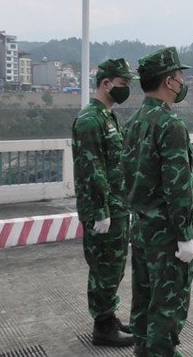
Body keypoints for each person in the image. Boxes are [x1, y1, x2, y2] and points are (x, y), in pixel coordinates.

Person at [121, 47, 193, 356]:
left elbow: (127, 178)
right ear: (168, 82)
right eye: (180, 76)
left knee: (143, 300)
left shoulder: (135, 122)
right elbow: (177, 186)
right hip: (168, 235)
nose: (183, 82)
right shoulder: (170, 125)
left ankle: (143, 349)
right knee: (168, 306)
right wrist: (184, 234)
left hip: (142, 228)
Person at [71, 58, 137, 347]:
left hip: (117, 205)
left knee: (115, 266)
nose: (126, 90)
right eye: (123, 84)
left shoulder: (108, 116)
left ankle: (108, 317)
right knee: (104, 268)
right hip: (104, 209)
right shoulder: (90, 119)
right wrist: (101, 210)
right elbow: (91, 167)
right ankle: (102, 327)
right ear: (106, 83)